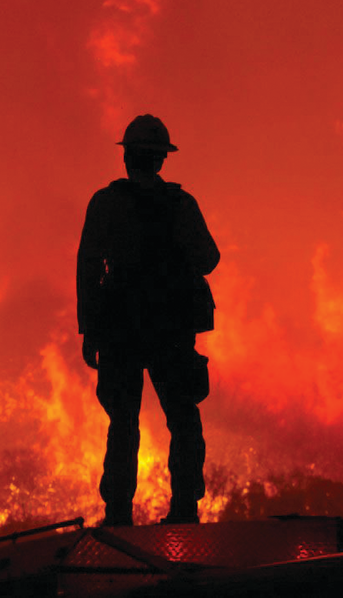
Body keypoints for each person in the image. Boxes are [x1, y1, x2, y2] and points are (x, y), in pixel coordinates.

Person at [77, 114, 220, 526]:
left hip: (120, 330)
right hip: (171, 330)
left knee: (123, 422)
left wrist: (89, 330)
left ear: (127, 159)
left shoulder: (106, 203)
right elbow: (209, 258)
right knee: (183, 418)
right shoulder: (181, 204)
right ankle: (184, 509)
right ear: (161, 161)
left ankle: (119, 511)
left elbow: (88, 267)